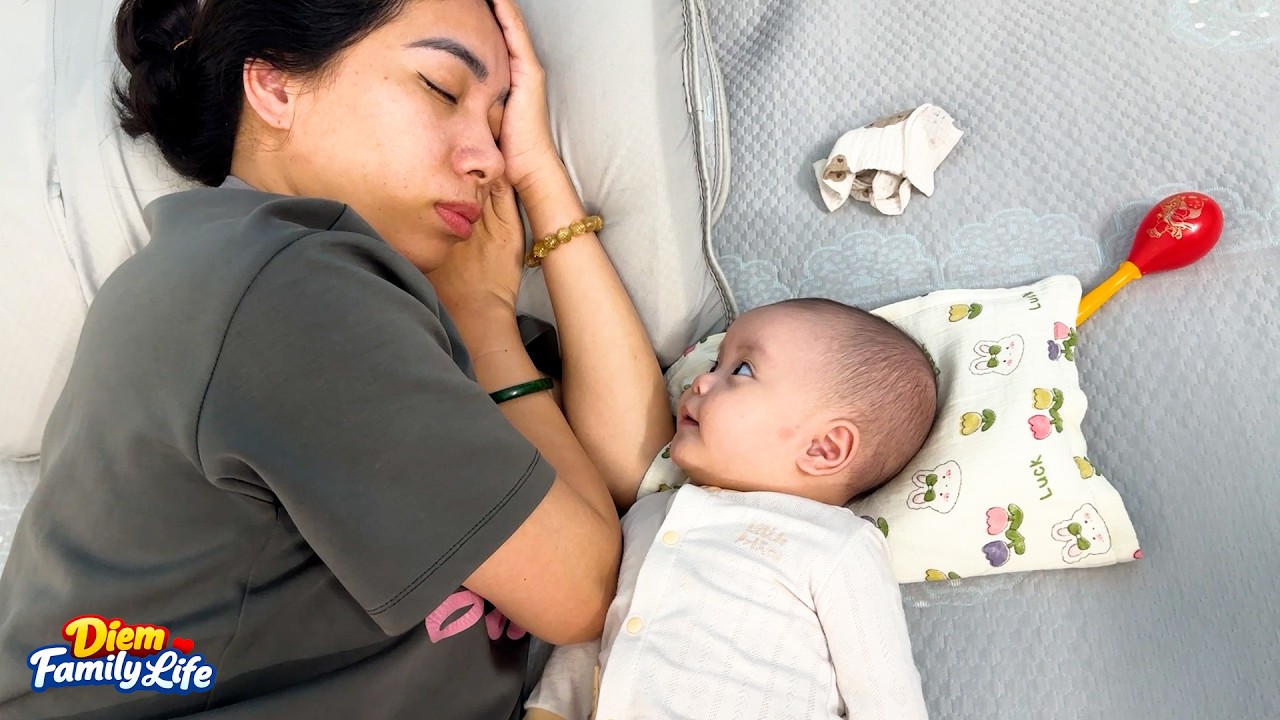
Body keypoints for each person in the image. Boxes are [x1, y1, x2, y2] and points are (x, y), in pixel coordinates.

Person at [0, 0, 672, 718]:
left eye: (500, 117)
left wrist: (539, 176)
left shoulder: (329, 289)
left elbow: (634, 467)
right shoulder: (284, 288)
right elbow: (582, 589)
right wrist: (484, 322)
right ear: (277, 88)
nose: (491, 156)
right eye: (442, 89)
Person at [523, 299, 938, 720]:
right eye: (715, 364)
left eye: (740, 370)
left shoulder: (835, 543)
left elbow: (889, 699)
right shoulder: (648, 516)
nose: (700, 381)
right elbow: (593, 635)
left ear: (824, 448)